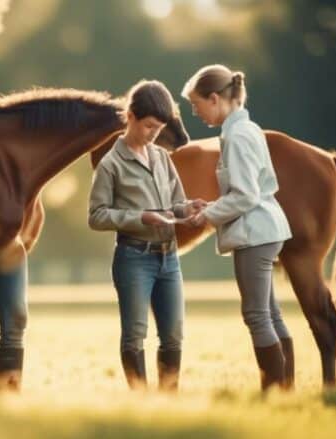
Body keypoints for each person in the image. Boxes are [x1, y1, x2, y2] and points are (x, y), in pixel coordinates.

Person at [182, 64, 294, 391]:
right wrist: (212, 206)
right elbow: (245, 191)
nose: (195, 111)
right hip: (263, 229)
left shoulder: (237, 136)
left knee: (257, 315)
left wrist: (206, 216)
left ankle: (274, 390)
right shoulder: (247, 129)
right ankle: (286, 389)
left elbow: (245, 196)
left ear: (214, 98)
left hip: (255, 234)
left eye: (196, 104)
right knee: (270, 314)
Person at [88, 79, 205, 392]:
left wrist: (188, 208)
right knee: (135, 334)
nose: (154, 134)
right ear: (130, 117)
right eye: (149, 126)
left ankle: (168, 398)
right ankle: (141, 399)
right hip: (133, 258)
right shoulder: (110, 164)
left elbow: (177, 204)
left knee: (173, 334)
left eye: (159, 128)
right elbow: (96, 217)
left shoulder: (163, 158)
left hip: (169, 258)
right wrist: (141, 218)